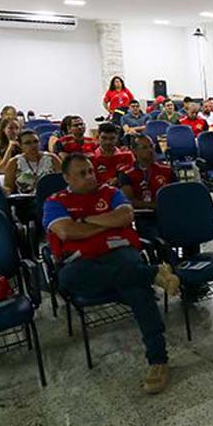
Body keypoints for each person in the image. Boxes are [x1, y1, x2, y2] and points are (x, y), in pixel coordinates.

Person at [43, 153, 173, 394]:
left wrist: (85, 220)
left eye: (91, 171)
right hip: (82, 261)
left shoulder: (110, 192)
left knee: (137, 290)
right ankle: (151, 274)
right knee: (68, 278)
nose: (90, 176)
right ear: (66, 177)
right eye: (82, 173)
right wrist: (104, 223)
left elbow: (126, 215)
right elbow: (66, 232)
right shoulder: (55, 201)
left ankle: (158, 361)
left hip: (119, 250)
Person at [119, 134, 174, 242]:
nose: (150, 150)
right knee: (159, 240)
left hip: (168, 214)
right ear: (134, 150)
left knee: (189, 232)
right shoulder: (126, 173)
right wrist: (155, 206)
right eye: (144, 148)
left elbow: (176, 193)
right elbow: (130, 201)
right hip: (145, 216)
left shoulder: (166, 170)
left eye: (151, 146)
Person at [3, 129, 61, 194]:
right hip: (25, 200)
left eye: (36, 141)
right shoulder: (14, 162)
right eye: (28, 143)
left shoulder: (52, 158)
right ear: (20, 146)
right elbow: (8, 186)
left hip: (49, 197)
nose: (33, 145)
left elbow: (62, 181)